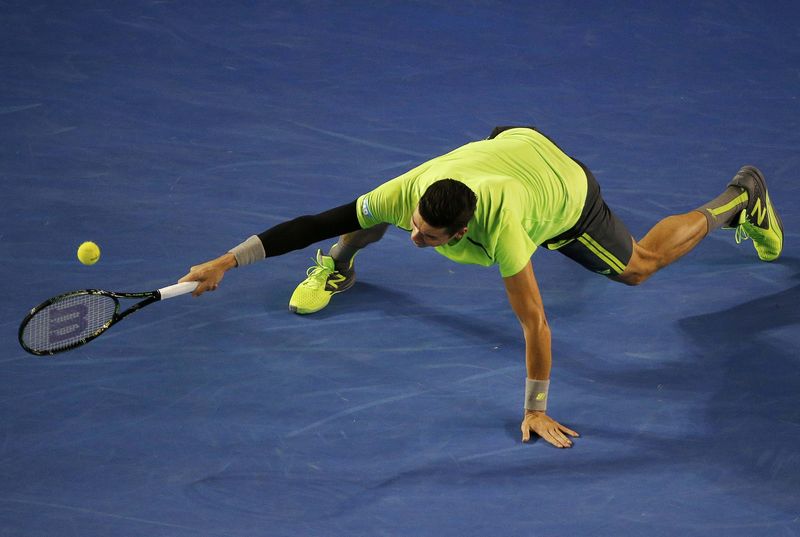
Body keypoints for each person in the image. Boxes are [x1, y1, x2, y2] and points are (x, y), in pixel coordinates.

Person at [179, 126, 783, 449]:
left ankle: (741, 198)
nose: (415, 238)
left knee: (639, 267)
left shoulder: (507, 233)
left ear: (465, 231)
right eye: (415, 224)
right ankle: (342, 263)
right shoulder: (414, 194)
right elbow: (317, 219)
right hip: (511, 142)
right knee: (361, 218)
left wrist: (536, 410)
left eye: (429, 237)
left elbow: (534, 324)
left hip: (561, 189)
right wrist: (226, 262)